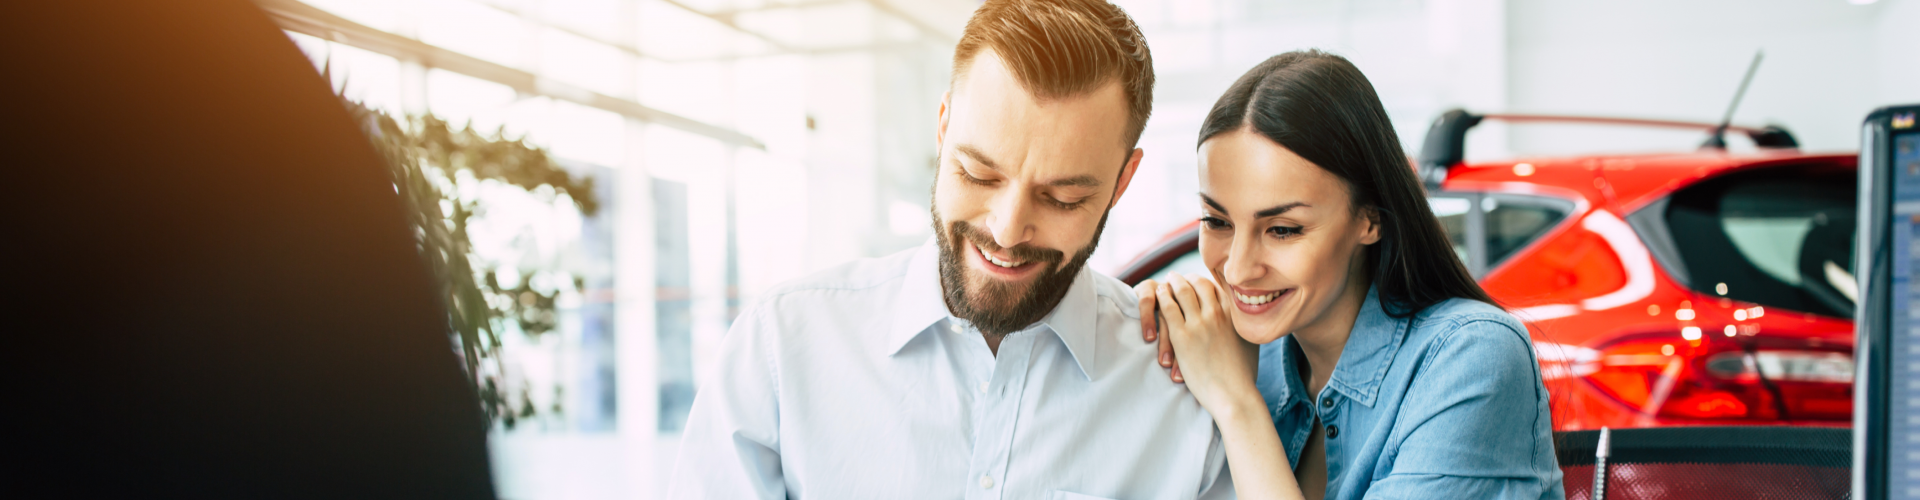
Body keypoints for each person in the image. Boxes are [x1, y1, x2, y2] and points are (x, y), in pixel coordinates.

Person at [667, 1, 1233, 498]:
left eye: (1062, 197)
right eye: (978, 174)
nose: (1008, 231)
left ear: (1121, 182)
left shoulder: (1183, 390)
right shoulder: (782, 349)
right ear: (942, 129)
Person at [1136, 50, 1565, 500]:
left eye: (1283, 230)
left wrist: (1236, 403)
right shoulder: (1240, 354)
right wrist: (1143, 333)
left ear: (1370, 219)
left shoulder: (1470, 358)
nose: (1239, 267)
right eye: (1217, 222)